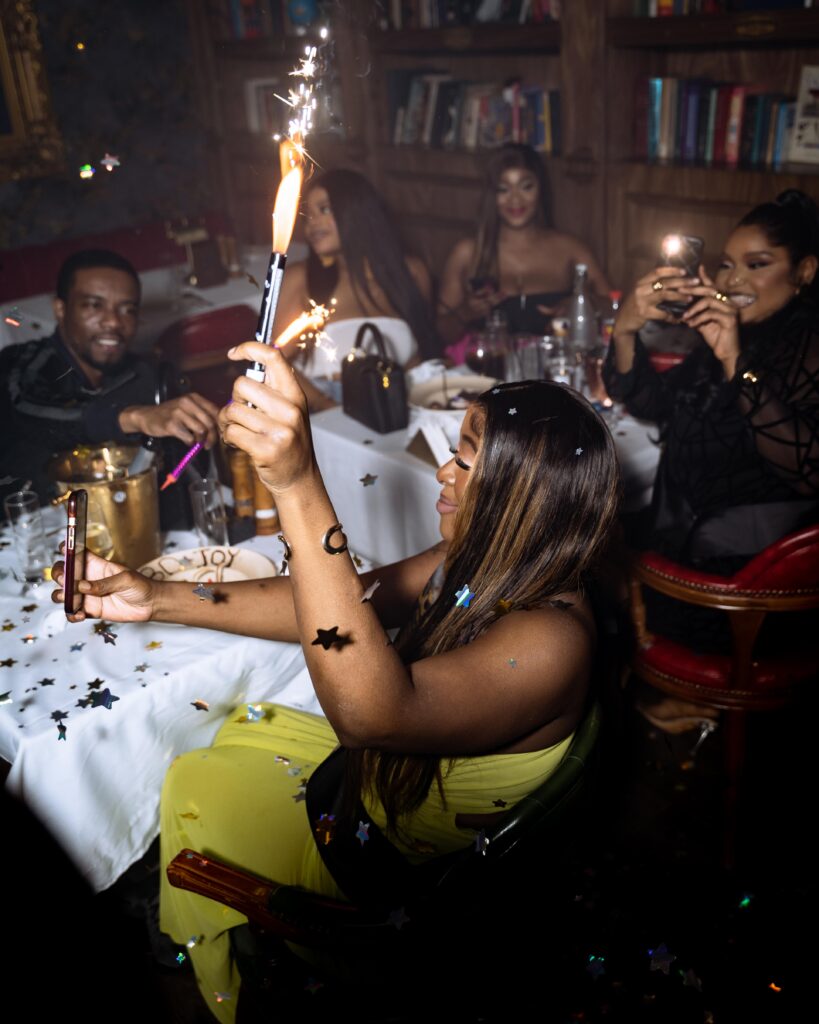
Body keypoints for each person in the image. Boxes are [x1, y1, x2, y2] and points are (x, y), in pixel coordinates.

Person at [51, 347, 619, 1022]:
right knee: (237, 727)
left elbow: (369, 715)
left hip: (388, 874)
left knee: (193, 781)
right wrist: (158, 597)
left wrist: (297, 487)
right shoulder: (479, 559)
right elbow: (338, 606)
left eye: (464, 461)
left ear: (522, 493)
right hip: (374, 787)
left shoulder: (548, 639)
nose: (443, 471)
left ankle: (225, 988)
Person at [603, 188, 819, 661]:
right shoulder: (738, 327)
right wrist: (625, 330)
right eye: (727, 263)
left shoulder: (809, 342)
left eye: (757, 264)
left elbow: (808, 470)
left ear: (804, 271)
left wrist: (735, 361)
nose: (735, 278)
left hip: (743, 590)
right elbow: (649, 400)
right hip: (682, 553)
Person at [0, 249, 220, 524]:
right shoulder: (22, 366)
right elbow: (34, 411)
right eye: (94, 305)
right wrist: (134, 417)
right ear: (60, 309)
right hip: (25, 543)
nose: (114, 322)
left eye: (128, 309)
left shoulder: (143, 376)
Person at [271, 169, 438, 410]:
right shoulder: (302, 279)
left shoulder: (411, 273)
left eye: (325, 210)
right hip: (326, 407)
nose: (311, 223)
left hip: (397, 405)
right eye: (308, 215)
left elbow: (416, 356)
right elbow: (274, 362)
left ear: (358, 212)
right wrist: (327, 406)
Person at [437, 143, 612, 345]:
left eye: (526, 186)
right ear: (491, 196)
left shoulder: (571, 249)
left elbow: (613, 305)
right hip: (483, 371)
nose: (515, 200)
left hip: (552, 369)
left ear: (540, 189)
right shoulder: (467, 253)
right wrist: (465, 313)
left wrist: (579, 305)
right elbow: (439, 334)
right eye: (503, 189)